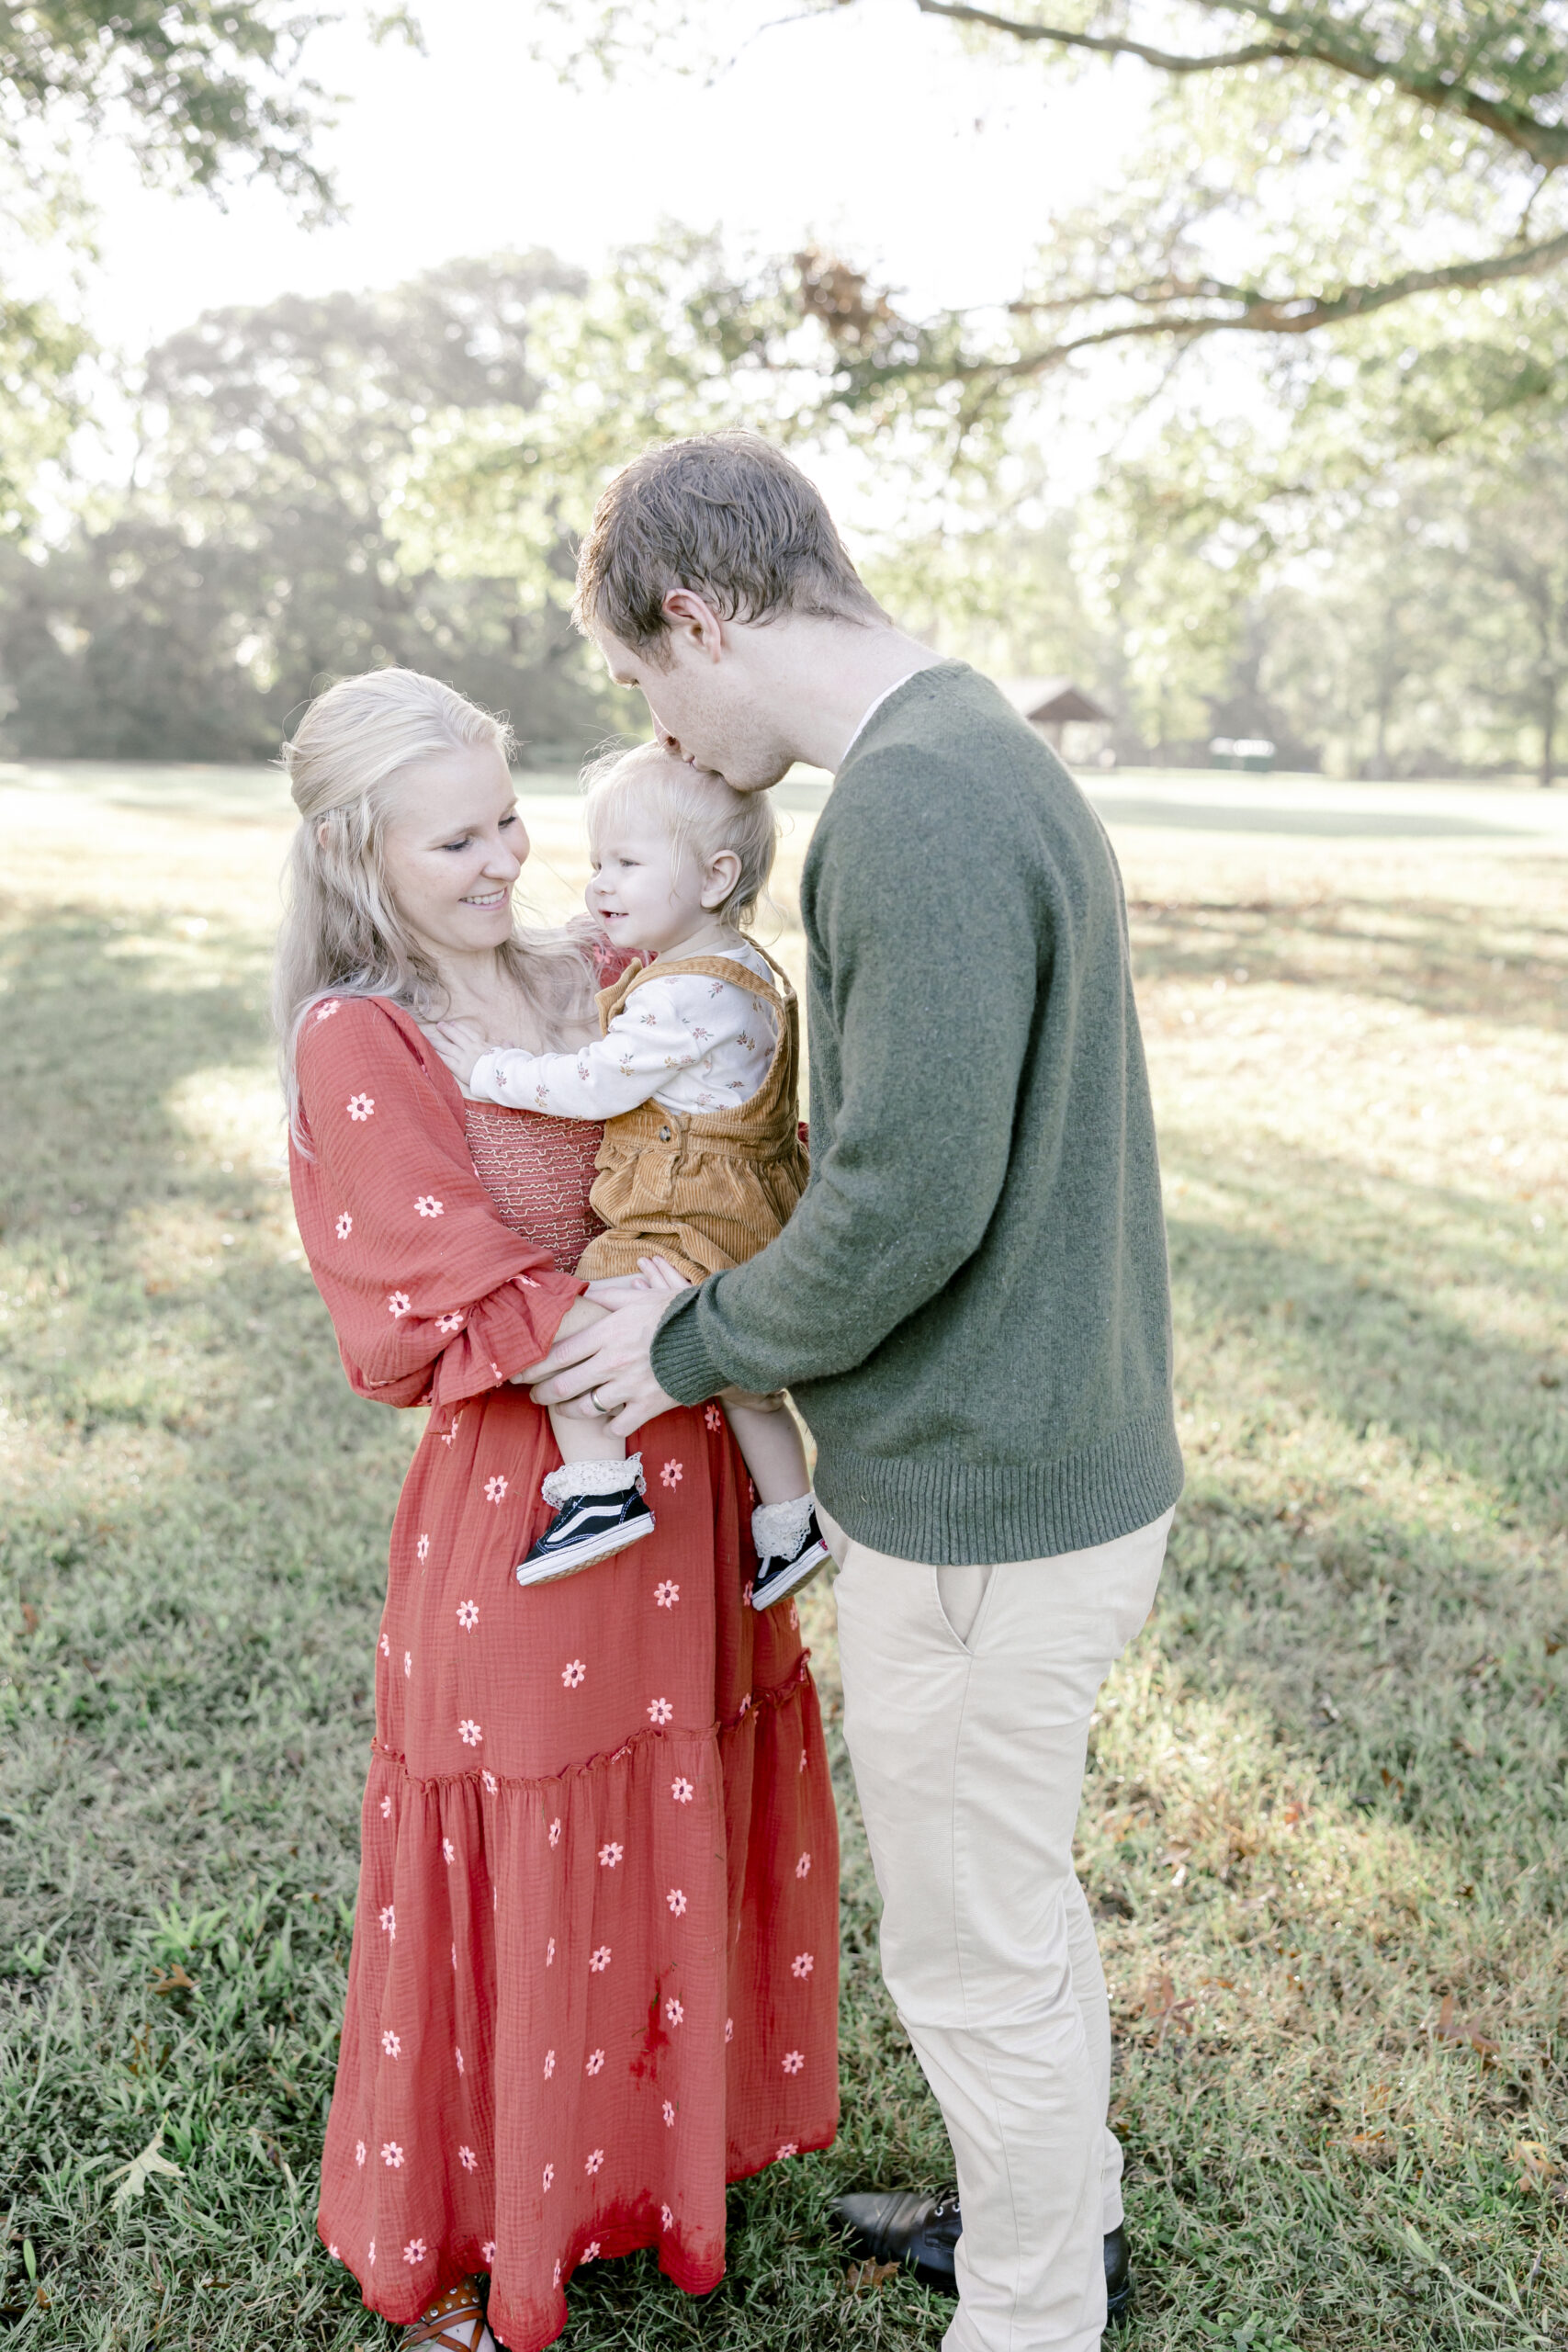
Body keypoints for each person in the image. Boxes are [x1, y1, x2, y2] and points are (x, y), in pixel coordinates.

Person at [523, 435, 1183, 2352]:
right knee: (1003, 1897)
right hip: (1039, 1454)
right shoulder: (957, 746)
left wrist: (680, 1344)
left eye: (645, 680)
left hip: (994, 1488)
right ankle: (1044, 2213)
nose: (657, 723)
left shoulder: (913, 804)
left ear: (698, 617)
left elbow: (903, 1201)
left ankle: (1035, 2307)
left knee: (972, 1936)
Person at [275, 665, 839, 2352]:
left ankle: (646, 2174)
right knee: (527, 1829)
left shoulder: (581, 969)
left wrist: (713, 1320)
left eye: (508, 817)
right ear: (358, 860)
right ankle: (480, 2214)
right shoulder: (360, 1037)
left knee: (666, 1809)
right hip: (536, 1490)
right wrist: (652, 1341)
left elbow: (717, 1124)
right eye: (455, 837)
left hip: (679, 1472)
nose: (505, 857)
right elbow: (428, 1270)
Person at [429, 741, 829, 1608]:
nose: (598, 884)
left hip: (683, 1218)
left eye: (626, 864)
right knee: (749, 1387)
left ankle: (601, 1489)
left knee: (572, 1324)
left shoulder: (682, 994)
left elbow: (597, 1083)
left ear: (715, 876)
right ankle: (792, 1522)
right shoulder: (746, 968)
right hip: (754, 1214)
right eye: (597, 863)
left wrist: (488, 1069)